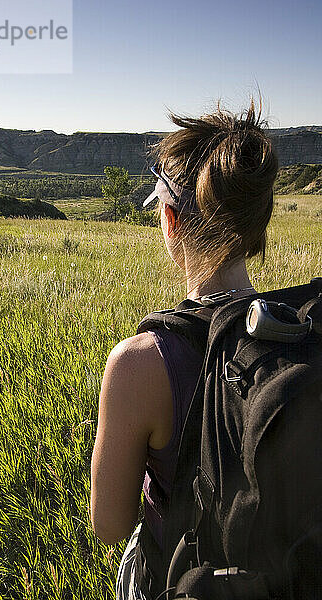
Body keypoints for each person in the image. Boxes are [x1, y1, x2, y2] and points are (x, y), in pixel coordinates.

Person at [90, 96, 279, 600]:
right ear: (257, 228)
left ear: (170, 222)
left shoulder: (138, 363)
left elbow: (109, 525)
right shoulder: (298, 336)